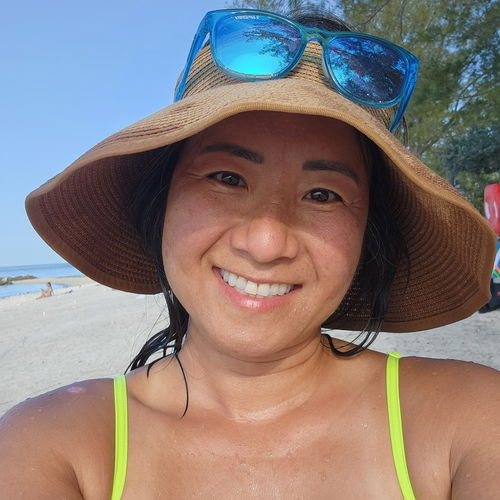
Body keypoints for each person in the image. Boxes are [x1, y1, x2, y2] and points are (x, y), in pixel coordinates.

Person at [2, 8, 499, 499]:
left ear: (368, 234)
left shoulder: (470, 417)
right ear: (162, 202)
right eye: (227, 178)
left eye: (322, 194)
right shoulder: (50, 444)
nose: (266, 245)